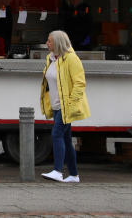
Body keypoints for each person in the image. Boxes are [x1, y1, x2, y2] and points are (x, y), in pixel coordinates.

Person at [39, 29, 90, 183]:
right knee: (66, 140)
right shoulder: (51, 58)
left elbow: (80, 83)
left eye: (49, 41)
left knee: (56, 135)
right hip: (56, 106)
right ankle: (74, 175)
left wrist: (70, 104)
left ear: (58, 43)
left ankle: (57, 171)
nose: (47, 43)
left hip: (65, 106)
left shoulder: (71, 59)